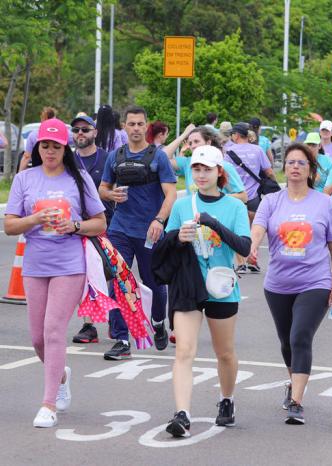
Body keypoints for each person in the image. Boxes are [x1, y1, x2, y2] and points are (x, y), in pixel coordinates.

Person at [5, 118, 107, 427]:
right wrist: (35, 218)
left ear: (66, 148)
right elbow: (10, 225)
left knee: (53, 331)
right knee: (37, 339)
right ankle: (61, 375)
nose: (50, 151)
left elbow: (100, 223)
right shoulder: (25, 179)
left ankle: (48, 404)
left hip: (69, 263)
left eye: (56, 146)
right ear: (37, 148)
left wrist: (74, 225)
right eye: (45, 146)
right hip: (36, 264)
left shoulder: (79, 180)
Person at [250, 143, 332, 425]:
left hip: (315, 281)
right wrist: (251, 247)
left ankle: (297, 402)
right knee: (286, 342)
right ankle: (294, 382)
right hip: (278, 284)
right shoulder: (271, 201)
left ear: (310, 169)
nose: (294, 167)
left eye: (301, 163)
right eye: (290, 162)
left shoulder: (324, 203)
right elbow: (258, 229)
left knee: (300, 336)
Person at [161, 145, 251, 437]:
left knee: (224, 352)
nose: (200, 175)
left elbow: (245, 248)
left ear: (219, 172)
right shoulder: (182, 205)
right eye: (196, 169)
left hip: (221, 286)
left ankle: (227, 399)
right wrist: (178, 237)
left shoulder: (234, 207)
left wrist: (213, 224)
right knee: (184, 351)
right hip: (188, 286)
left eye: (207, 169)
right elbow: (166, 246)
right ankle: (182, 414)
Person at [98, 105, 177, 360]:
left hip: (149, 230)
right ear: (124, 126)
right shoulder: (115, 156)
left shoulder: (158, 157)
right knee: (119, 280)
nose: (135, 128)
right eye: (130, 124)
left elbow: (171, 193)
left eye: (139, 124)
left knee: (153, 283)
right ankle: (121, 338)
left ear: (146, 126)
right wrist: (111, 194)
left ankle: (157, 322)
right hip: (120, 228)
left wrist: (159, 220)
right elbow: (103, 188)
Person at [67, 115, 116, 344]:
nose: (80, 134)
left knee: (108, 274)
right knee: (85, 274)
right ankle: (89, 325)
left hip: (107, 224)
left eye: (85, 129)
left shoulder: (108, 159)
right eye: (76, 130)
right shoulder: (68, 161)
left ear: (95, 132)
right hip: (77, 227)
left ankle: (116, 321)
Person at [224, 122, 274, 273]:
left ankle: (241, 263)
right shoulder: (258, 150)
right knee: (253, 231)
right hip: (253, 197)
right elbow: (269, 171)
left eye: (232, 134)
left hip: (236, 196)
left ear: (236, 135)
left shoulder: (228, 151)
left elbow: (224, 173)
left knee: (237, 231)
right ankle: (252, 258)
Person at [164, 125, 247, 203]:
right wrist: (183, 135)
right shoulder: (187, 163)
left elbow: (243, 197)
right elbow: (162, 157)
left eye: (196, 141)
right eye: (190, 143)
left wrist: (217, 199)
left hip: (219, 216)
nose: (192, 146)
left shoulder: (223, 165)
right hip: (194, 217)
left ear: (208, 142)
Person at [19, 107, 59, 171]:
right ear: (54, 119)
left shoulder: (34, 135)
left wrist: (19, 175)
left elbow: (26, 157)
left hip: (38, 171)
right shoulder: (62, 134)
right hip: (57, 171)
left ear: (42, 119)